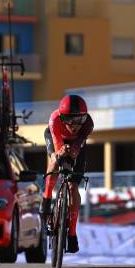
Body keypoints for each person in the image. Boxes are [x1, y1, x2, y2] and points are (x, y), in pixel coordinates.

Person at [40, 94, 93, 254]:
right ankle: (47, 198)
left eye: (79, 120)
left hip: (76, 143)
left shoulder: (88, 124)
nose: (74, 125)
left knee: (72, 186)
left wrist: (73, 152)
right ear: (62, 117)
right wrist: (61, 153)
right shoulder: (55, 120)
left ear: (85, 118)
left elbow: (78, 146)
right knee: (55, 161)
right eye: (69, 119)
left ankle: (72, 233)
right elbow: (58, 147)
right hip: (56, 137)